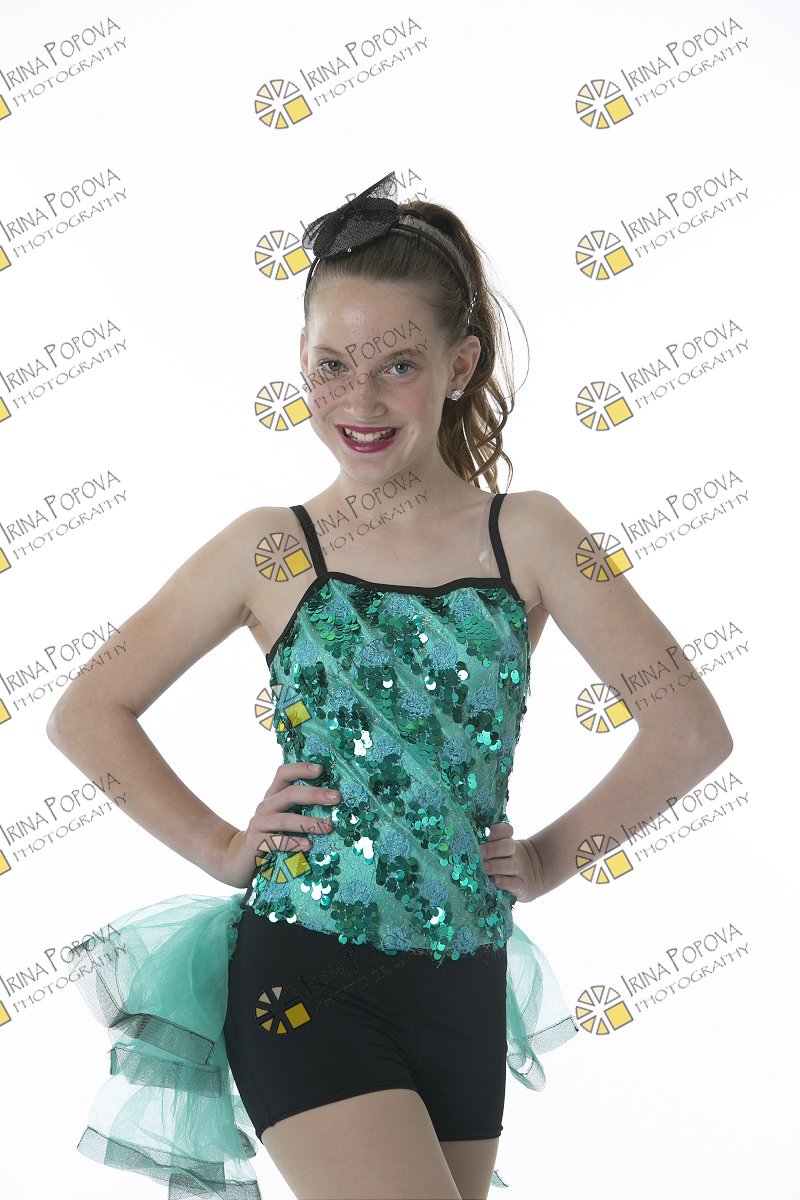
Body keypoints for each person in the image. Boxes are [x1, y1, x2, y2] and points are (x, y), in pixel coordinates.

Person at [48, 171, 734, 1200]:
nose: (360, 402)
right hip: (303, 969)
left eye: (398, 366)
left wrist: (546, 860)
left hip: (465, 982)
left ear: (460, 365)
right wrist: (223, 848)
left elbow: (687, 731)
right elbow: (87, 712)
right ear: (301, 361)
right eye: (333, 366)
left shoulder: (529, 535)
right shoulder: (272, 548)